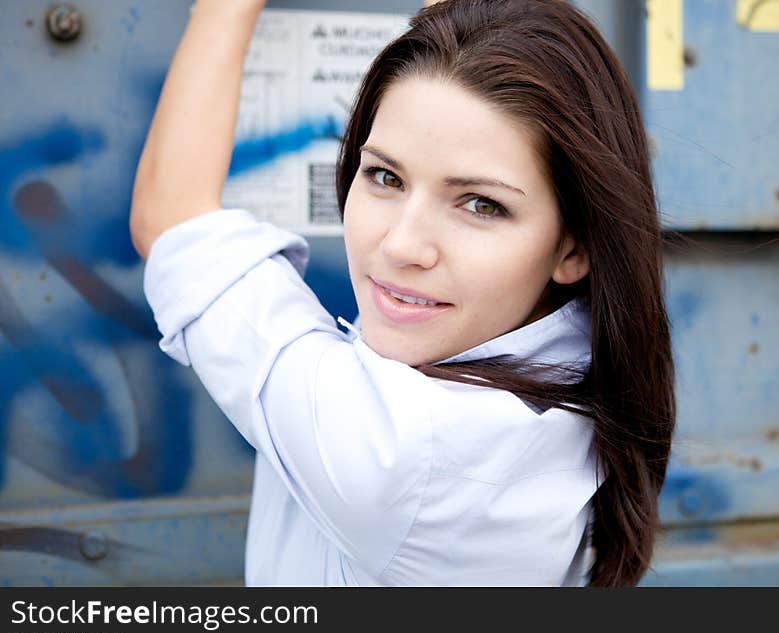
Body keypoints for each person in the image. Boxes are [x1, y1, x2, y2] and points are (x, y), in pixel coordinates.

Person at [130, 0, 675, 586]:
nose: (402, 245)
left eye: (481, 204)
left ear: (574, 247)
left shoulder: (409, 456)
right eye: (385, 176)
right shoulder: (581, 369)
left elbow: (171, 222)